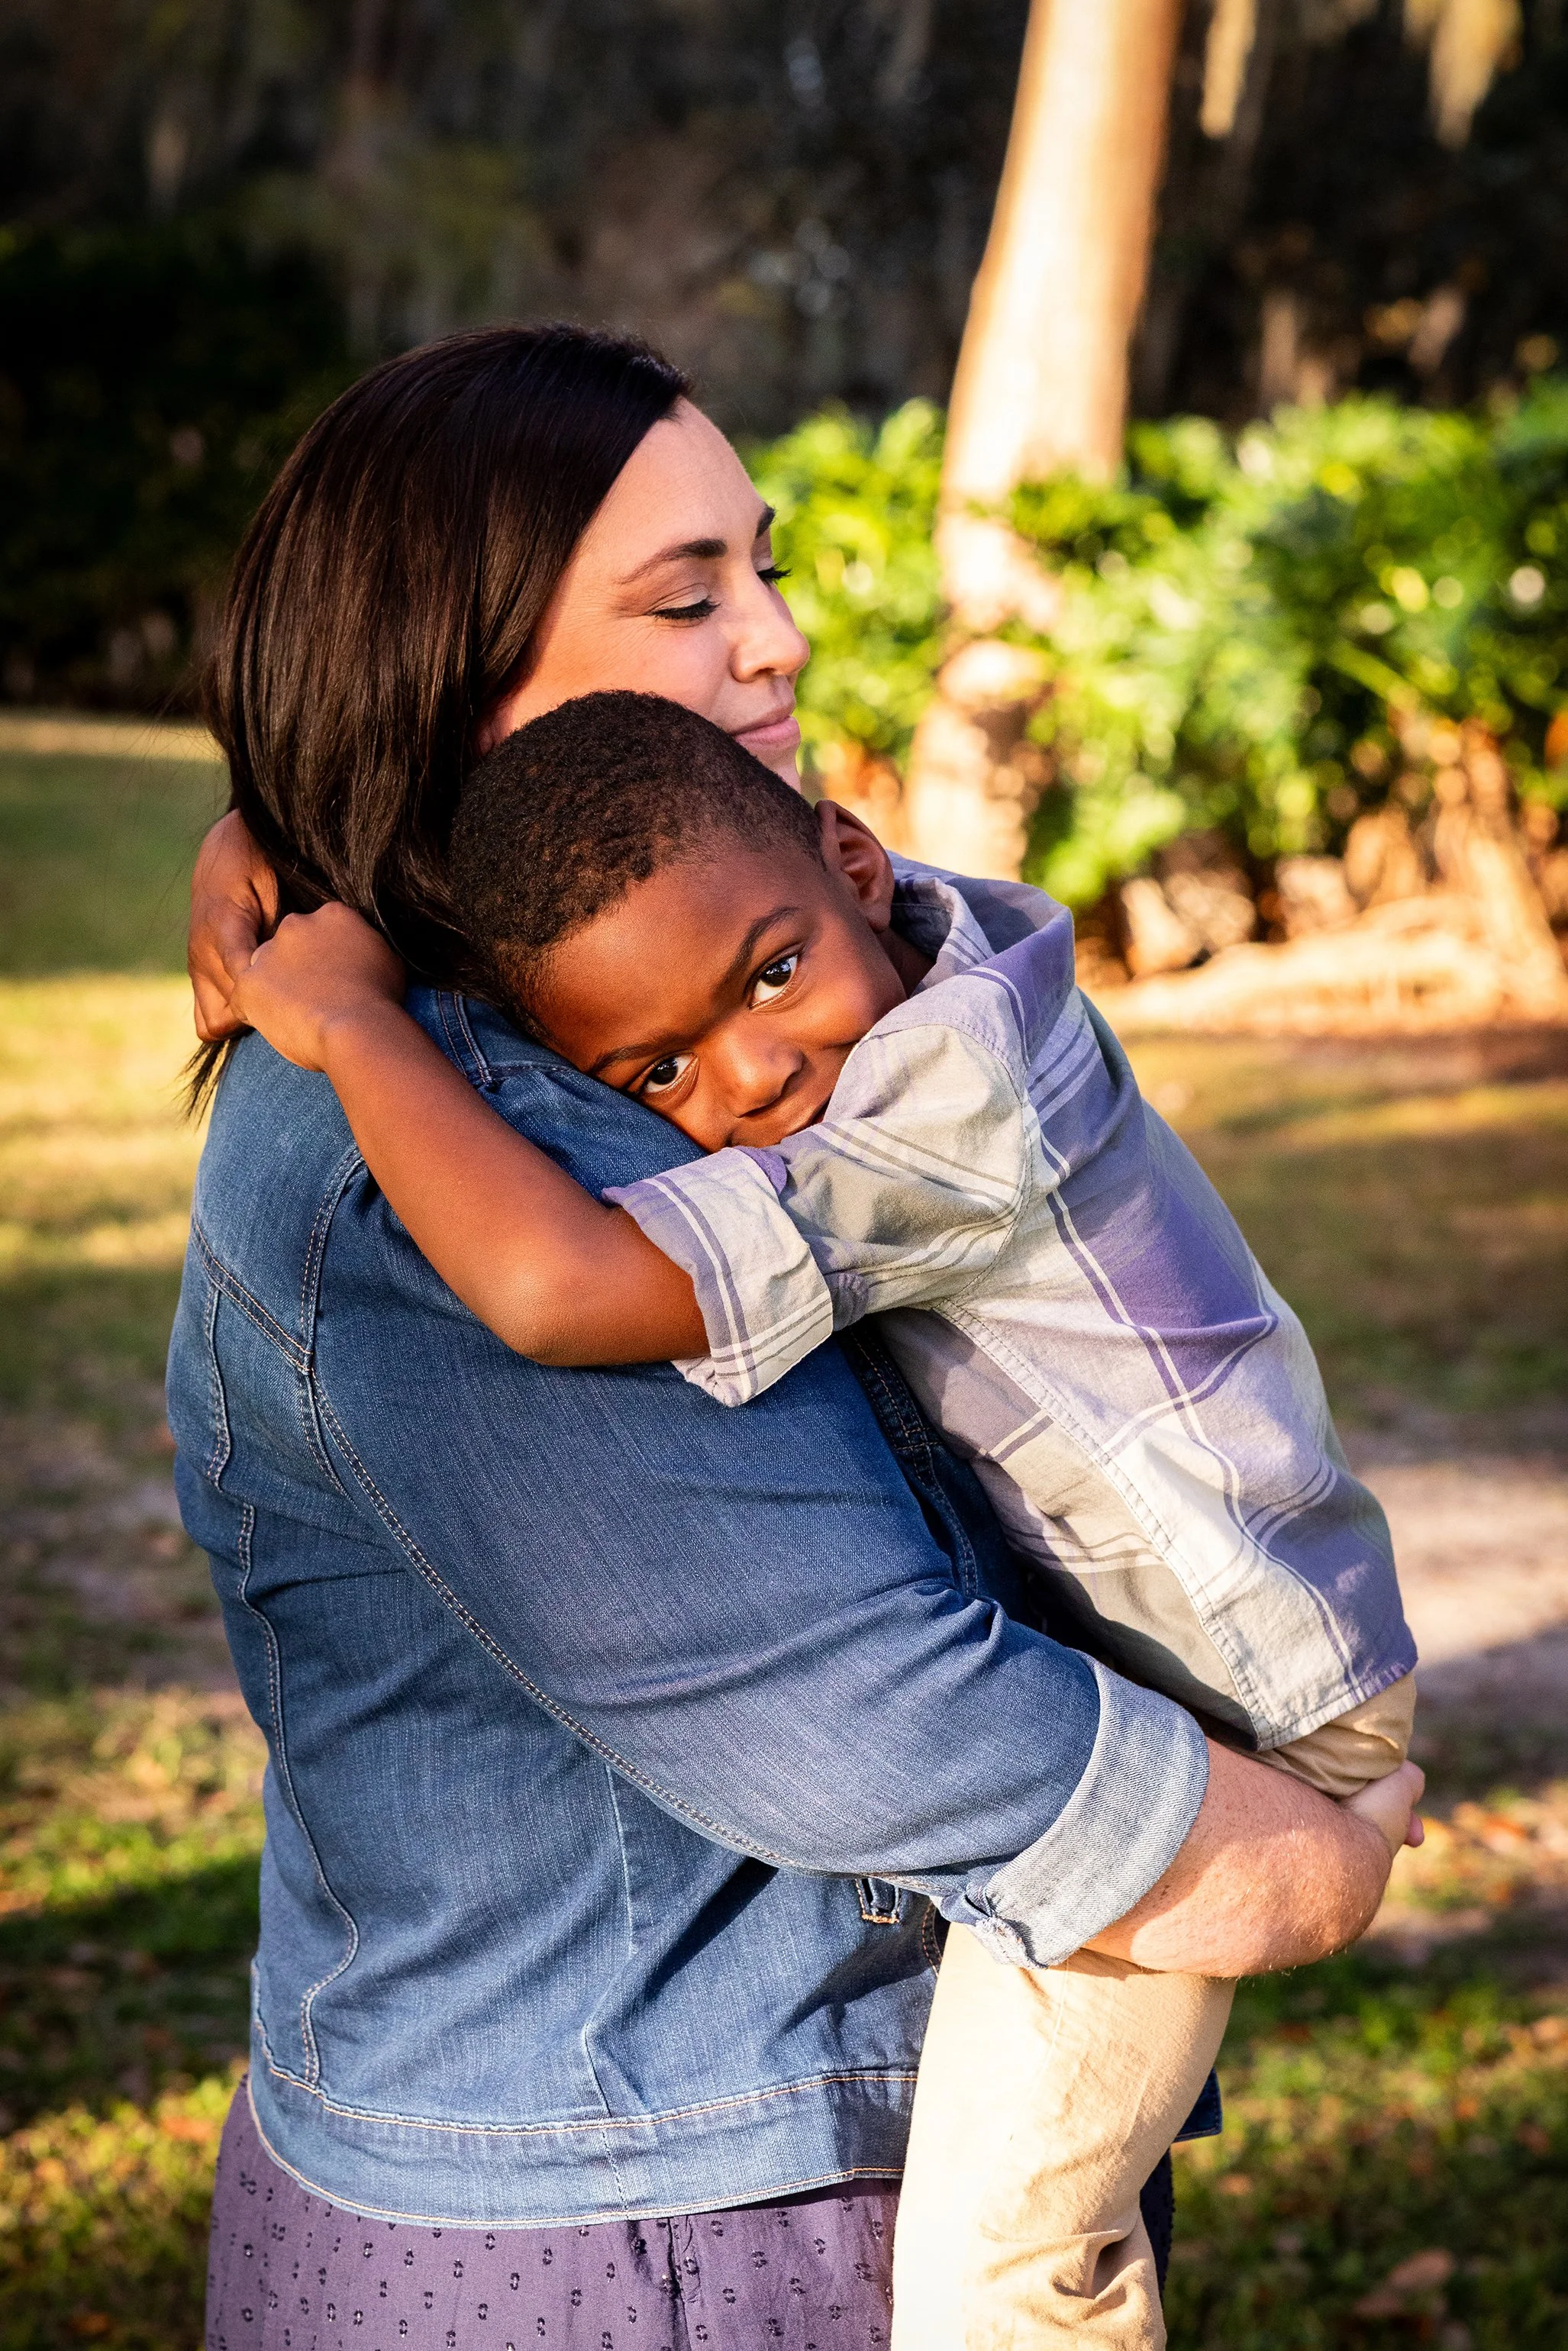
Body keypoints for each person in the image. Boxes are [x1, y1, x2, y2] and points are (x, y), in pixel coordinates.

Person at [175, 323, 1418, 2351]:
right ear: (445, 674)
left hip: (716, 2148)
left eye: (759, 567)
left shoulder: (773, 1015)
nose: (776, 642)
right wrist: (1299, 1866)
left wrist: (319, 941)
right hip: (624, 2221)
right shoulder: (425, 1153)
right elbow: (875, 1722)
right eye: (686, 596)